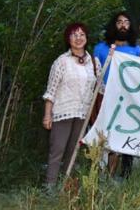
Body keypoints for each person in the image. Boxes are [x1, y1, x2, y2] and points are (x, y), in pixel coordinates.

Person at [42, 23, 103, 187]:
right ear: (68, 39)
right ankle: (50, 187)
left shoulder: (94, 62)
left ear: (86, 38)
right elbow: (51, 91)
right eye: (74, 35)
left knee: (73, 152)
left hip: (83, 114)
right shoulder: (61, 62)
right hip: (63, 112)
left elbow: (100, 87)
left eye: (82, 34)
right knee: (57, 150)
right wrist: (47, 115)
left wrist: (112, 58)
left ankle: (65, 184)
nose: (78, 38)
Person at [93, 11, 140, 177]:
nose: (123, 25)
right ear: (114, 25)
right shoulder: (100, 48)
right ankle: (98, 173)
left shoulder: (137, 50)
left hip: (126, 101)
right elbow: (94, 73)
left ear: (131, 26)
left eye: (126, 22)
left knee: (117, 138)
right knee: (101, 136)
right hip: (103, 99)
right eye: (119, 21)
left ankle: (111, 175)